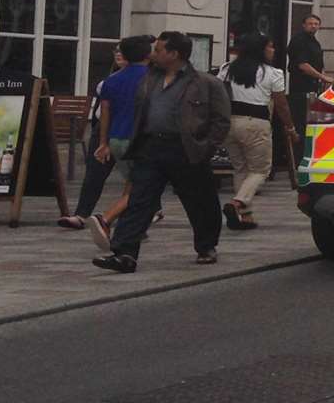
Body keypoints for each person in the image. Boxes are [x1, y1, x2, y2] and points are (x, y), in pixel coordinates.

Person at [92, 31, 232, 273]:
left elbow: (221, 120)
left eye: (158, 50)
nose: (153, 54)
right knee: (139, 200)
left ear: (174, 54)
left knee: (200, 201)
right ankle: (125, 253)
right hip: (151, 147)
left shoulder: (205, 83)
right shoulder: (150, 79)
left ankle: (206, 246)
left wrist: (206, 147)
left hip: (186, 149)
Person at [60, 35, 151, 232]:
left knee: (134, 181)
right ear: (148, 54)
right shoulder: (153, 78)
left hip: (114, 137)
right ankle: (113, 220)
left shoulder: (110, 81)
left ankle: (127, 221)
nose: (117, 54)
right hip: (139, 138)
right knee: (140, 183)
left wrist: (104, 141)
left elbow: (105, 114)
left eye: (120, 50)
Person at [218, 33, 292, 230]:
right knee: (260, 170)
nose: (273, 50)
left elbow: (218, 94)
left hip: (230, 122)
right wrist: (290, 126)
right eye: (270, 46)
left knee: (240, 168)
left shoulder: (227, 69)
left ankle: (246, 216)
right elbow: (281, 103)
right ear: (260, 49)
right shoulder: (272, 73)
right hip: (256, 122)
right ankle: (238, 202)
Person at [284, 11, 329, 142]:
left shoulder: (315, 42)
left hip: (313, 88)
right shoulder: (299, 40)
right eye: (310, 23)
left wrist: (323, 78)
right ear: (304, 25)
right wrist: (322, 77)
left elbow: (319, 64)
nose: (313, 26)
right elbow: (302, 65)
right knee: (301, 121)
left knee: (311, 121)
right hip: (300, 88)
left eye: (316, 24)